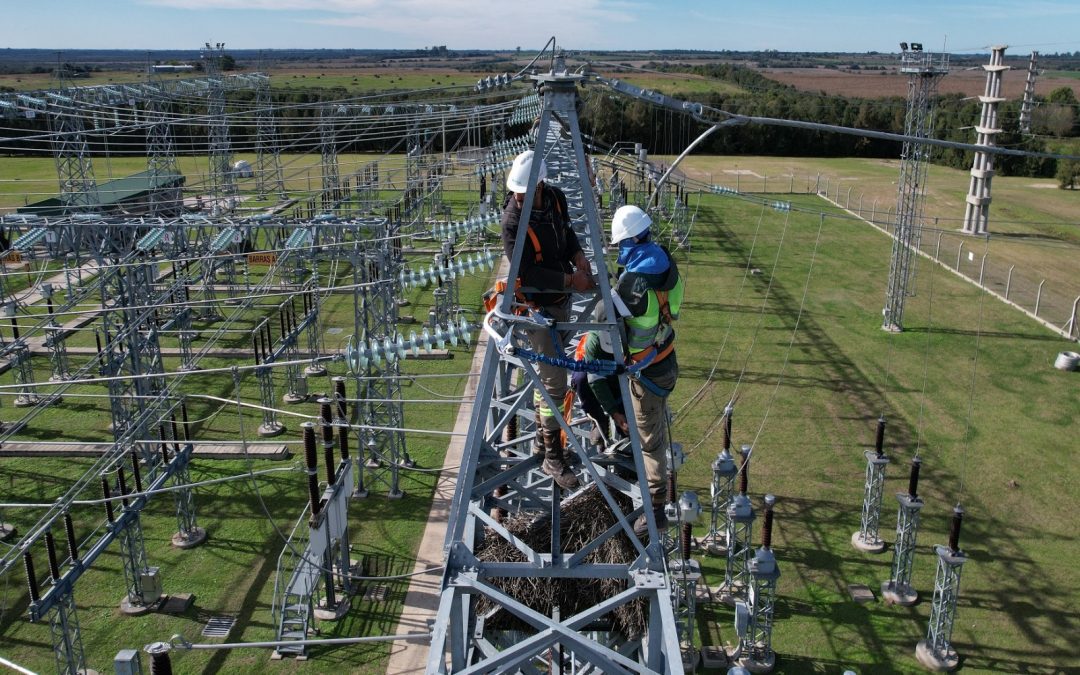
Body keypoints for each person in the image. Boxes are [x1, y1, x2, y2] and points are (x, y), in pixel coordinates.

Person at [500, 150, 594, 490]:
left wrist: (578, 255)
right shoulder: (512, 221)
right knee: (553, 383)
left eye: (525, 190)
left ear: (541, 184)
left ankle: (543, 440)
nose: (519, 196)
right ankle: (553, 458)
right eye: (517, 191)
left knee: (549, 379)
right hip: (538, 309)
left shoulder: (555, 198)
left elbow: (566, 235)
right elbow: (527, 271)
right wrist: (571, 281)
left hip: (561, 300)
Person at [609, 204, 684, 537]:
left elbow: (612, 322)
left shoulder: (631, 282)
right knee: (653, 429)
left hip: (646, 372)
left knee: (650, 444)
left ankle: (654, 512)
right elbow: (669, 310)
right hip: (666, 359)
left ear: (629, 241)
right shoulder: (667, 265)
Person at [572, 302, 628, 452]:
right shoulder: (593, 341)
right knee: (580, 378)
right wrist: (614, 413)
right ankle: (599, 421)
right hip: (596, 375)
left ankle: (629, 457)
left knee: (628, 421)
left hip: (621, 374)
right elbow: (595, 380)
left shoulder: (631, 331)